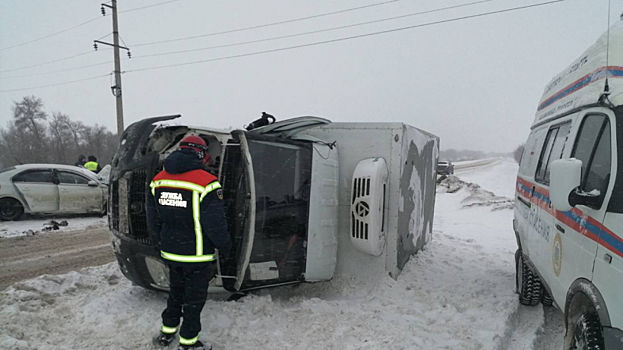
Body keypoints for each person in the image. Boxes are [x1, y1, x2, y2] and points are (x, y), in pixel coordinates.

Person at [146, 135, 231, 350]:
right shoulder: (207, 182)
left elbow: (152, 218)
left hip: (171, 250)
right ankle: (189, 342)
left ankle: (167, 332)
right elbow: (215, 224)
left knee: (176, 293)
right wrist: (226, 247)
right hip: (197, 254)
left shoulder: (158, 179)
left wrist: (161, 241)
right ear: (200, 153)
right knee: (193, 301)